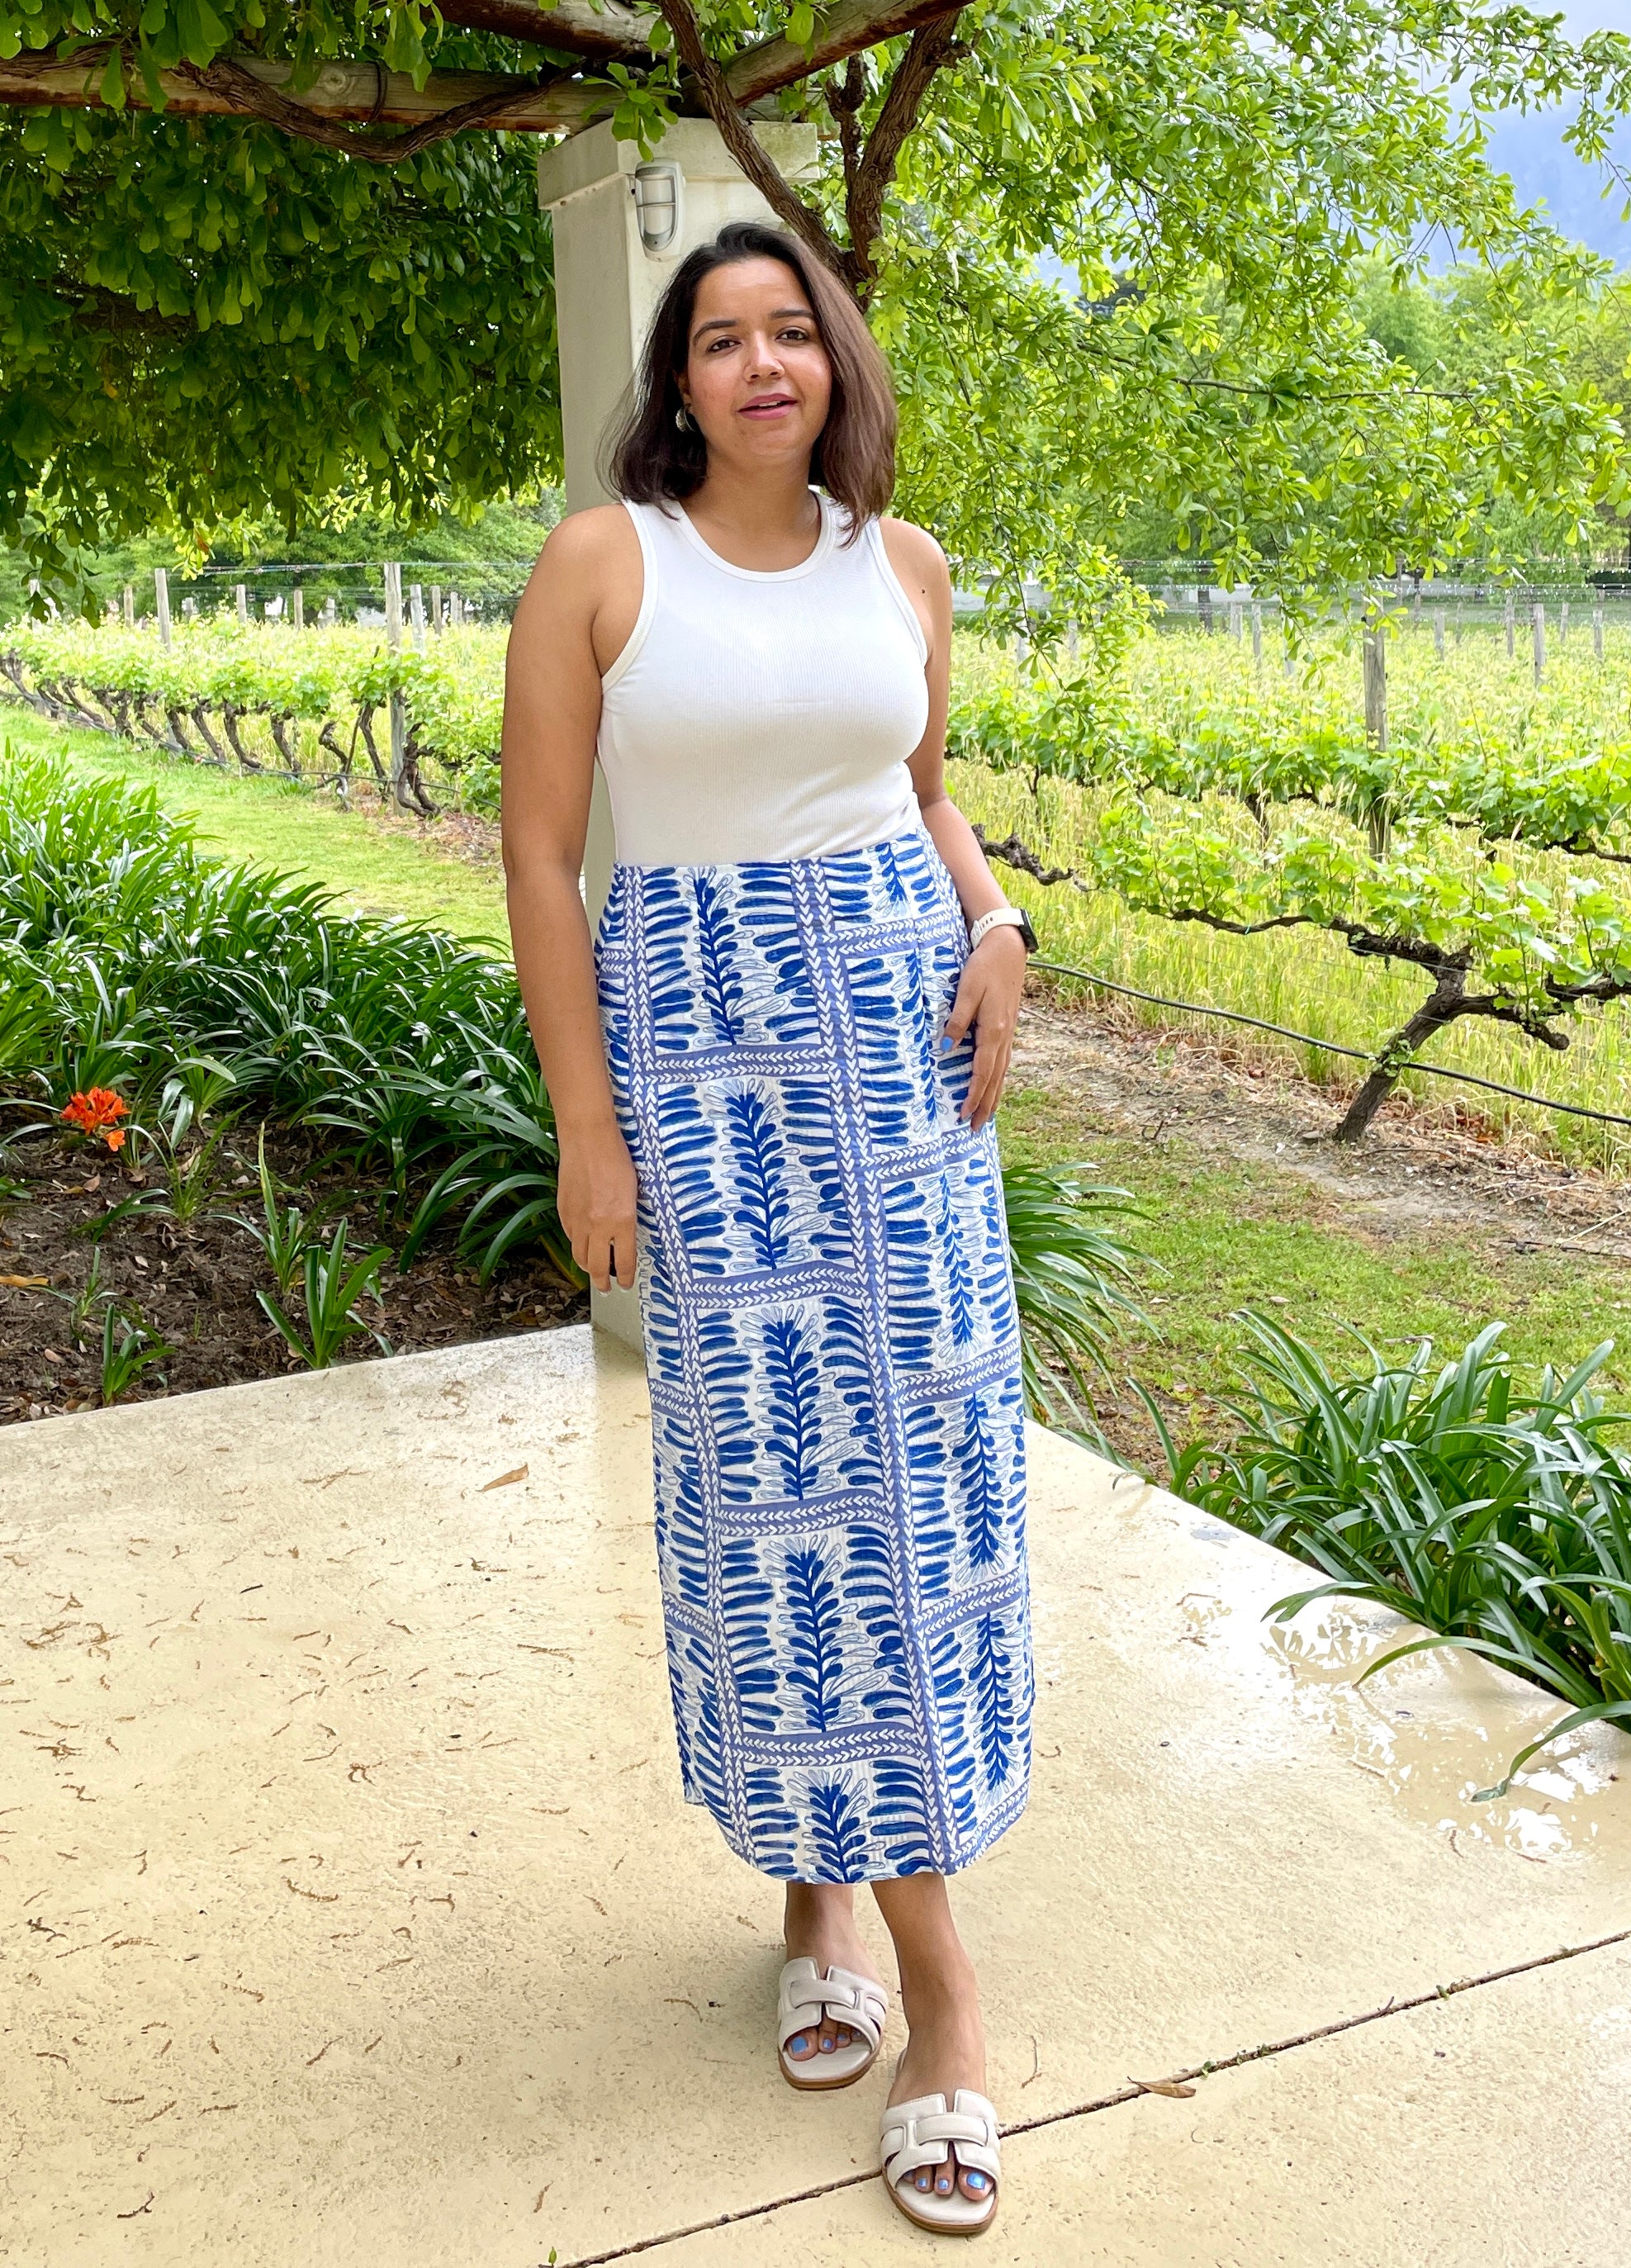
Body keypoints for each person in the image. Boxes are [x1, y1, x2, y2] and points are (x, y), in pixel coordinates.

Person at [502, 217, 1036, 2237]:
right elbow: (544, 857)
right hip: (706, 1076)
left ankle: (925, 1971)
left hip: (902, 1080)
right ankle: (843, 1900)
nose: (755, 364)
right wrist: (589, 1130)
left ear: (835, 364)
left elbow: (916, 786)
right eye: (717, 337)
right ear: (679, 376)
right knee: (772, 1495)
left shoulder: (901, 566)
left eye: (786, 330)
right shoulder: (601, 562)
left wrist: (990, 919)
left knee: (914, 1493)